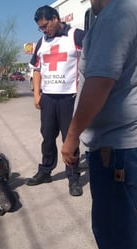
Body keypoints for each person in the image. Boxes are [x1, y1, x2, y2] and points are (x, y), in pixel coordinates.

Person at [61, 0, 137, 249]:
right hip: (136, 136)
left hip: (121, 144)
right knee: (119, 218)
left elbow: (98, 84)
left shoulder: (116, 15)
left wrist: (72, 137)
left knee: (113, 225)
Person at [28, 5, 85, 197]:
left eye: (45, 26)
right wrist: (37, 94)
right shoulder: (42, 41)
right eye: (40, 28)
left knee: (70, 138)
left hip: (69, 97)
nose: (44, 30)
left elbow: (94, 58)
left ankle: (73, 177)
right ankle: (45, 171)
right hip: (48, 98)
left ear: (55, 18)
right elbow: (36, 69)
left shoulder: (75, 36)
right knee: (47, 136)